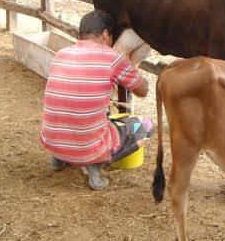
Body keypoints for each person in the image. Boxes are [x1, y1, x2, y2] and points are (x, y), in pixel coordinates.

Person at [40, 10, 152, 190]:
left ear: (80, 35)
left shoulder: (61, 54)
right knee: (145, 125)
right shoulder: (113, 58)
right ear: (106, 35)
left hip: (52, 142)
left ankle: (59, 159)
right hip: (89, 149)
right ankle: (95, 166)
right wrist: (130, 68)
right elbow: (143, 91)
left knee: (78, 111)